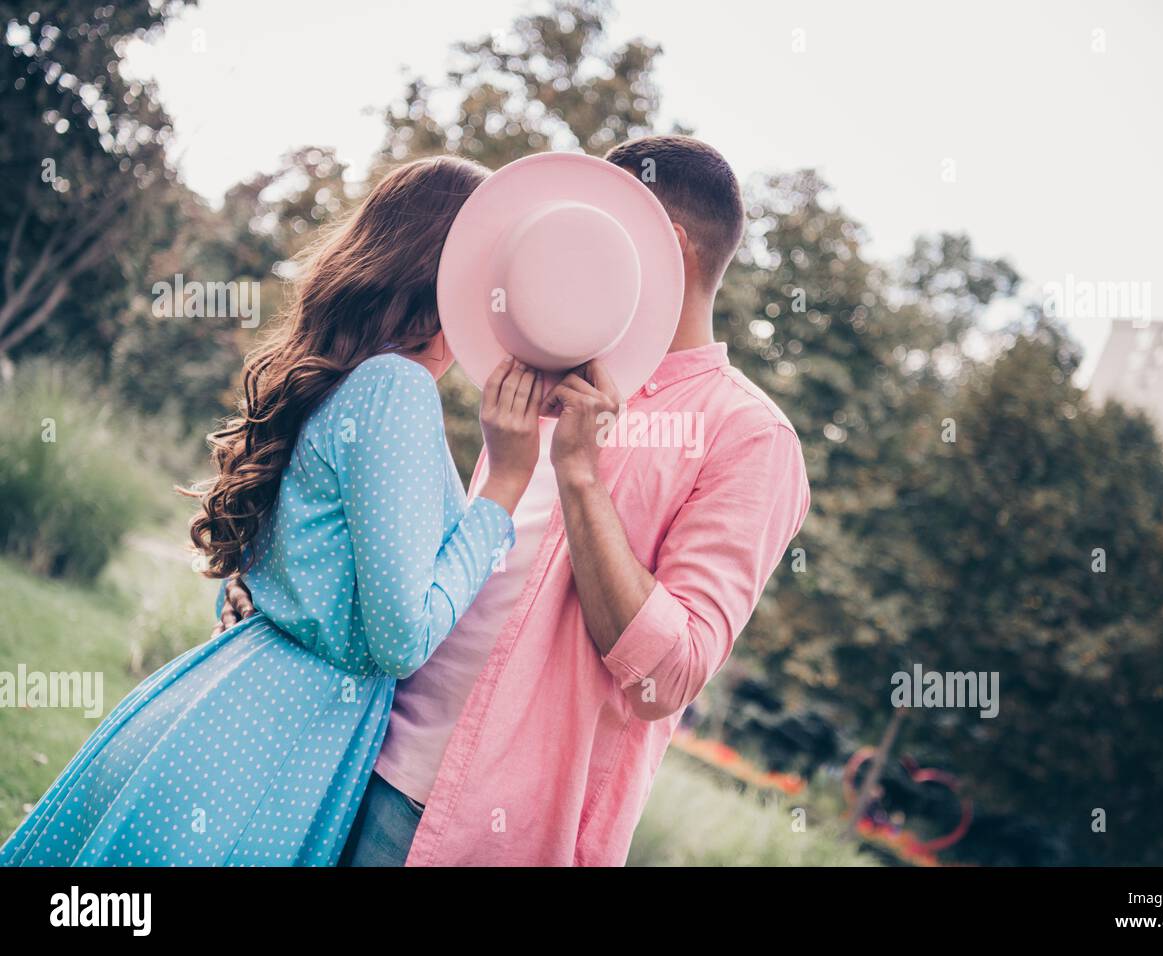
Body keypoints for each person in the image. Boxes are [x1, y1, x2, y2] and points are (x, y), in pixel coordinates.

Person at [221, 135, 812, 867]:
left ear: (669, 245)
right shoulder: (542, 356)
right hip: (354, 757)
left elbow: (670, 676)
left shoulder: (750, 437)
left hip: (475, 829)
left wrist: (581, 479)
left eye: (603, 222)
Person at [0, 157, 542, 866]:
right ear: (454, 274)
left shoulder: (349, 373)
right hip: (269, 747)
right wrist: (503, 487)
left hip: (232, 709)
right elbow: (399, 639)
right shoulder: (397, 388)